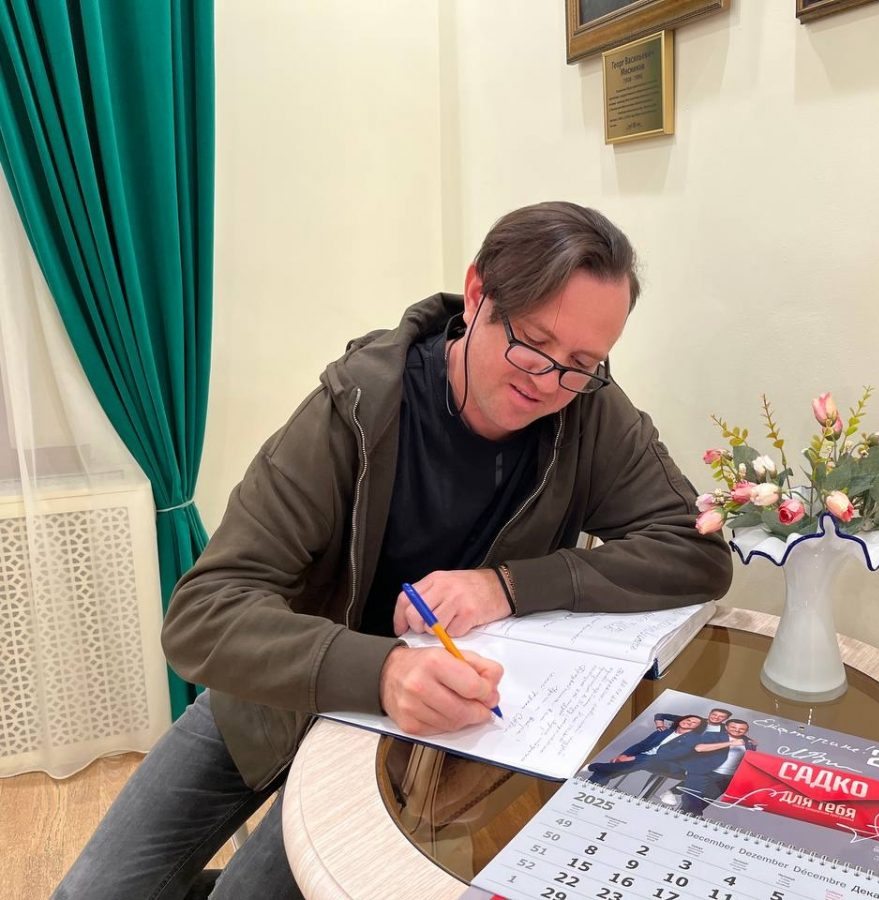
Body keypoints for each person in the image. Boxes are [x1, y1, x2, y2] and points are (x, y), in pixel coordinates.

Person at [54, 201, 733, 900]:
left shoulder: (586, 408)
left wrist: (507, 585)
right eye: (533, 343)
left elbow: (698, 553)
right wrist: (382, 671)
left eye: (582, 364)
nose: (546, 382)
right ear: (478, 293)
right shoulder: (355, 405)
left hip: (415, 739)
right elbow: (203, 613)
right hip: (276, 696)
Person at [667, 719, 757, 816]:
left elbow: (747, 760)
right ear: (726, 727)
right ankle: (675, 798)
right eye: (733, 727)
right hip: (707, 772)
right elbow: (699, 748)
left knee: (704, 802)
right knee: (693, 800)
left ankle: (686, 814)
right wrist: (731, 743)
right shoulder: (713, 735)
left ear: (746, 731)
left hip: (726, 778)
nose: (737, 730)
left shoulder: (748, 743)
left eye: (741, 729)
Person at [586, 715, 706, 786]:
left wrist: (633, 757)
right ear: (680, 720)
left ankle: (593, 767)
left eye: (694, 723)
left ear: (697, 727)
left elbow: (668, 756)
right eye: (688, 720)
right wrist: (623, 756)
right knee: (620, 765)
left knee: (645, 761)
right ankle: (591, 786)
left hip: (671, 766)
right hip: (642, 760)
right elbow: (641, 745)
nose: (689, 723)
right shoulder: (665, 731)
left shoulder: (693, 739)